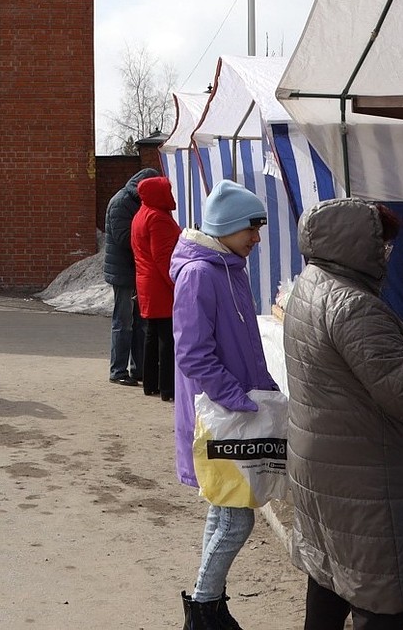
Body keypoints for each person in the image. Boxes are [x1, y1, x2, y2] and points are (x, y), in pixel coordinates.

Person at [282, 197, 403, 630]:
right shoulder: (354, 306)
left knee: (332, 576)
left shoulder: (311, 283)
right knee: (378, 599)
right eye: (382, 243)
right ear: (358, 245)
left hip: (327, 464)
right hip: (368, 477)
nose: (387, 252)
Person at [170, 178, 277, 630]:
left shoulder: (230, 268)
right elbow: (193, 353)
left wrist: (268, 391)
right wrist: (236, 399)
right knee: (237, 520)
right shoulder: (200, 274)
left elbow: (247, 345)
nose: (256, 238)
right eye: (250, 229)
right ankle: (204, 608)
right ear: (226, 227)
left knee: (224, 510)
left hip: (235, 412)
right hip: (220, 416)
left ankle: (208, 605)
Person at [102, 167, 157, 386]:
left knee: (140, 322)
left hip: (136, 271)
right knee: (123, 322)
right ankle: (118, 370)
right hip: (123, 272)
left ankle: (138, 369)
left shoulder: (137, 202)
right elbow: (124, 237)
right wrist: (150, 238)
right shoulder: (121, 202)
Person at [130, 173, 181, 401]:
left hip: (147, 282)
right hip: (160, 284)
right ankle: (168, 388)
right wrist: (176, 283)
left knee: (152, 334)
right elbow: (163, 257)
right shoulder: (158, 217)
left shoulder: (141, 214)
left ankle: (150, 383)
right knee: (166, 338)